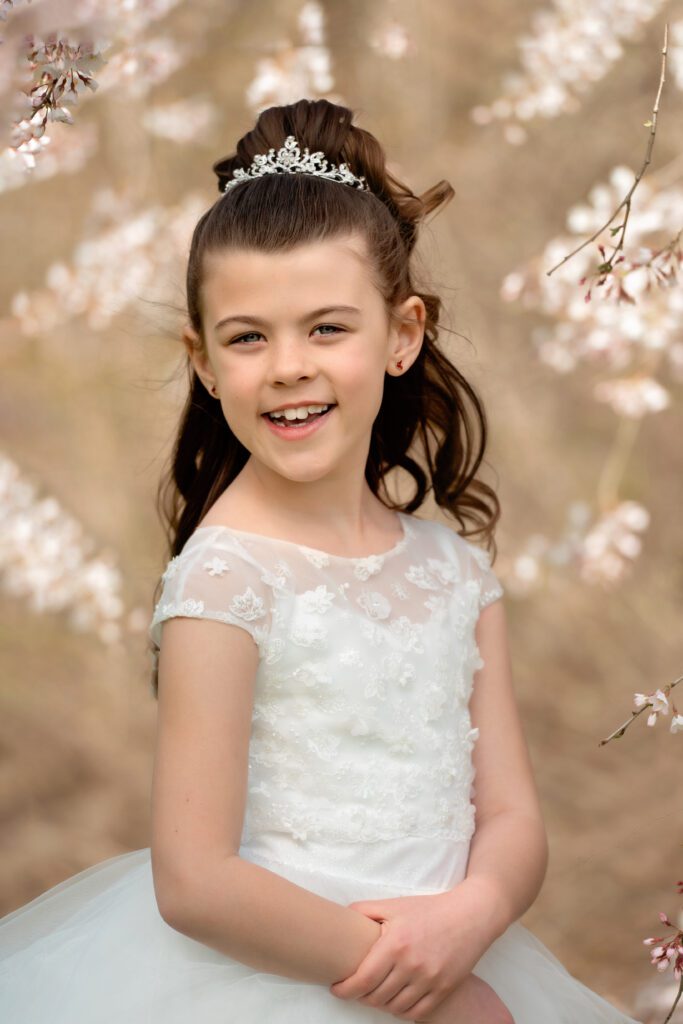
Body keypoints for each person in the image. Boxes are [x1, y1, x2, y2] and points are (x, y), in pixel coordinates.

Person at [0, 97, 642, 1024]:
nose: (288, 365)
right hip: (283, 980)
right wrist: (426, 985)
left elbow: (510, 819)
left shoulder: (452, 571)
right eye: (248, 337)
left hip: (453, 948)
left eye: (327, 328)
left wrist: (474, 914)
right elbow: (195, 880)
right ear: (205, 361)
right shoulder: (225, 580)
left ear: (402, 334)